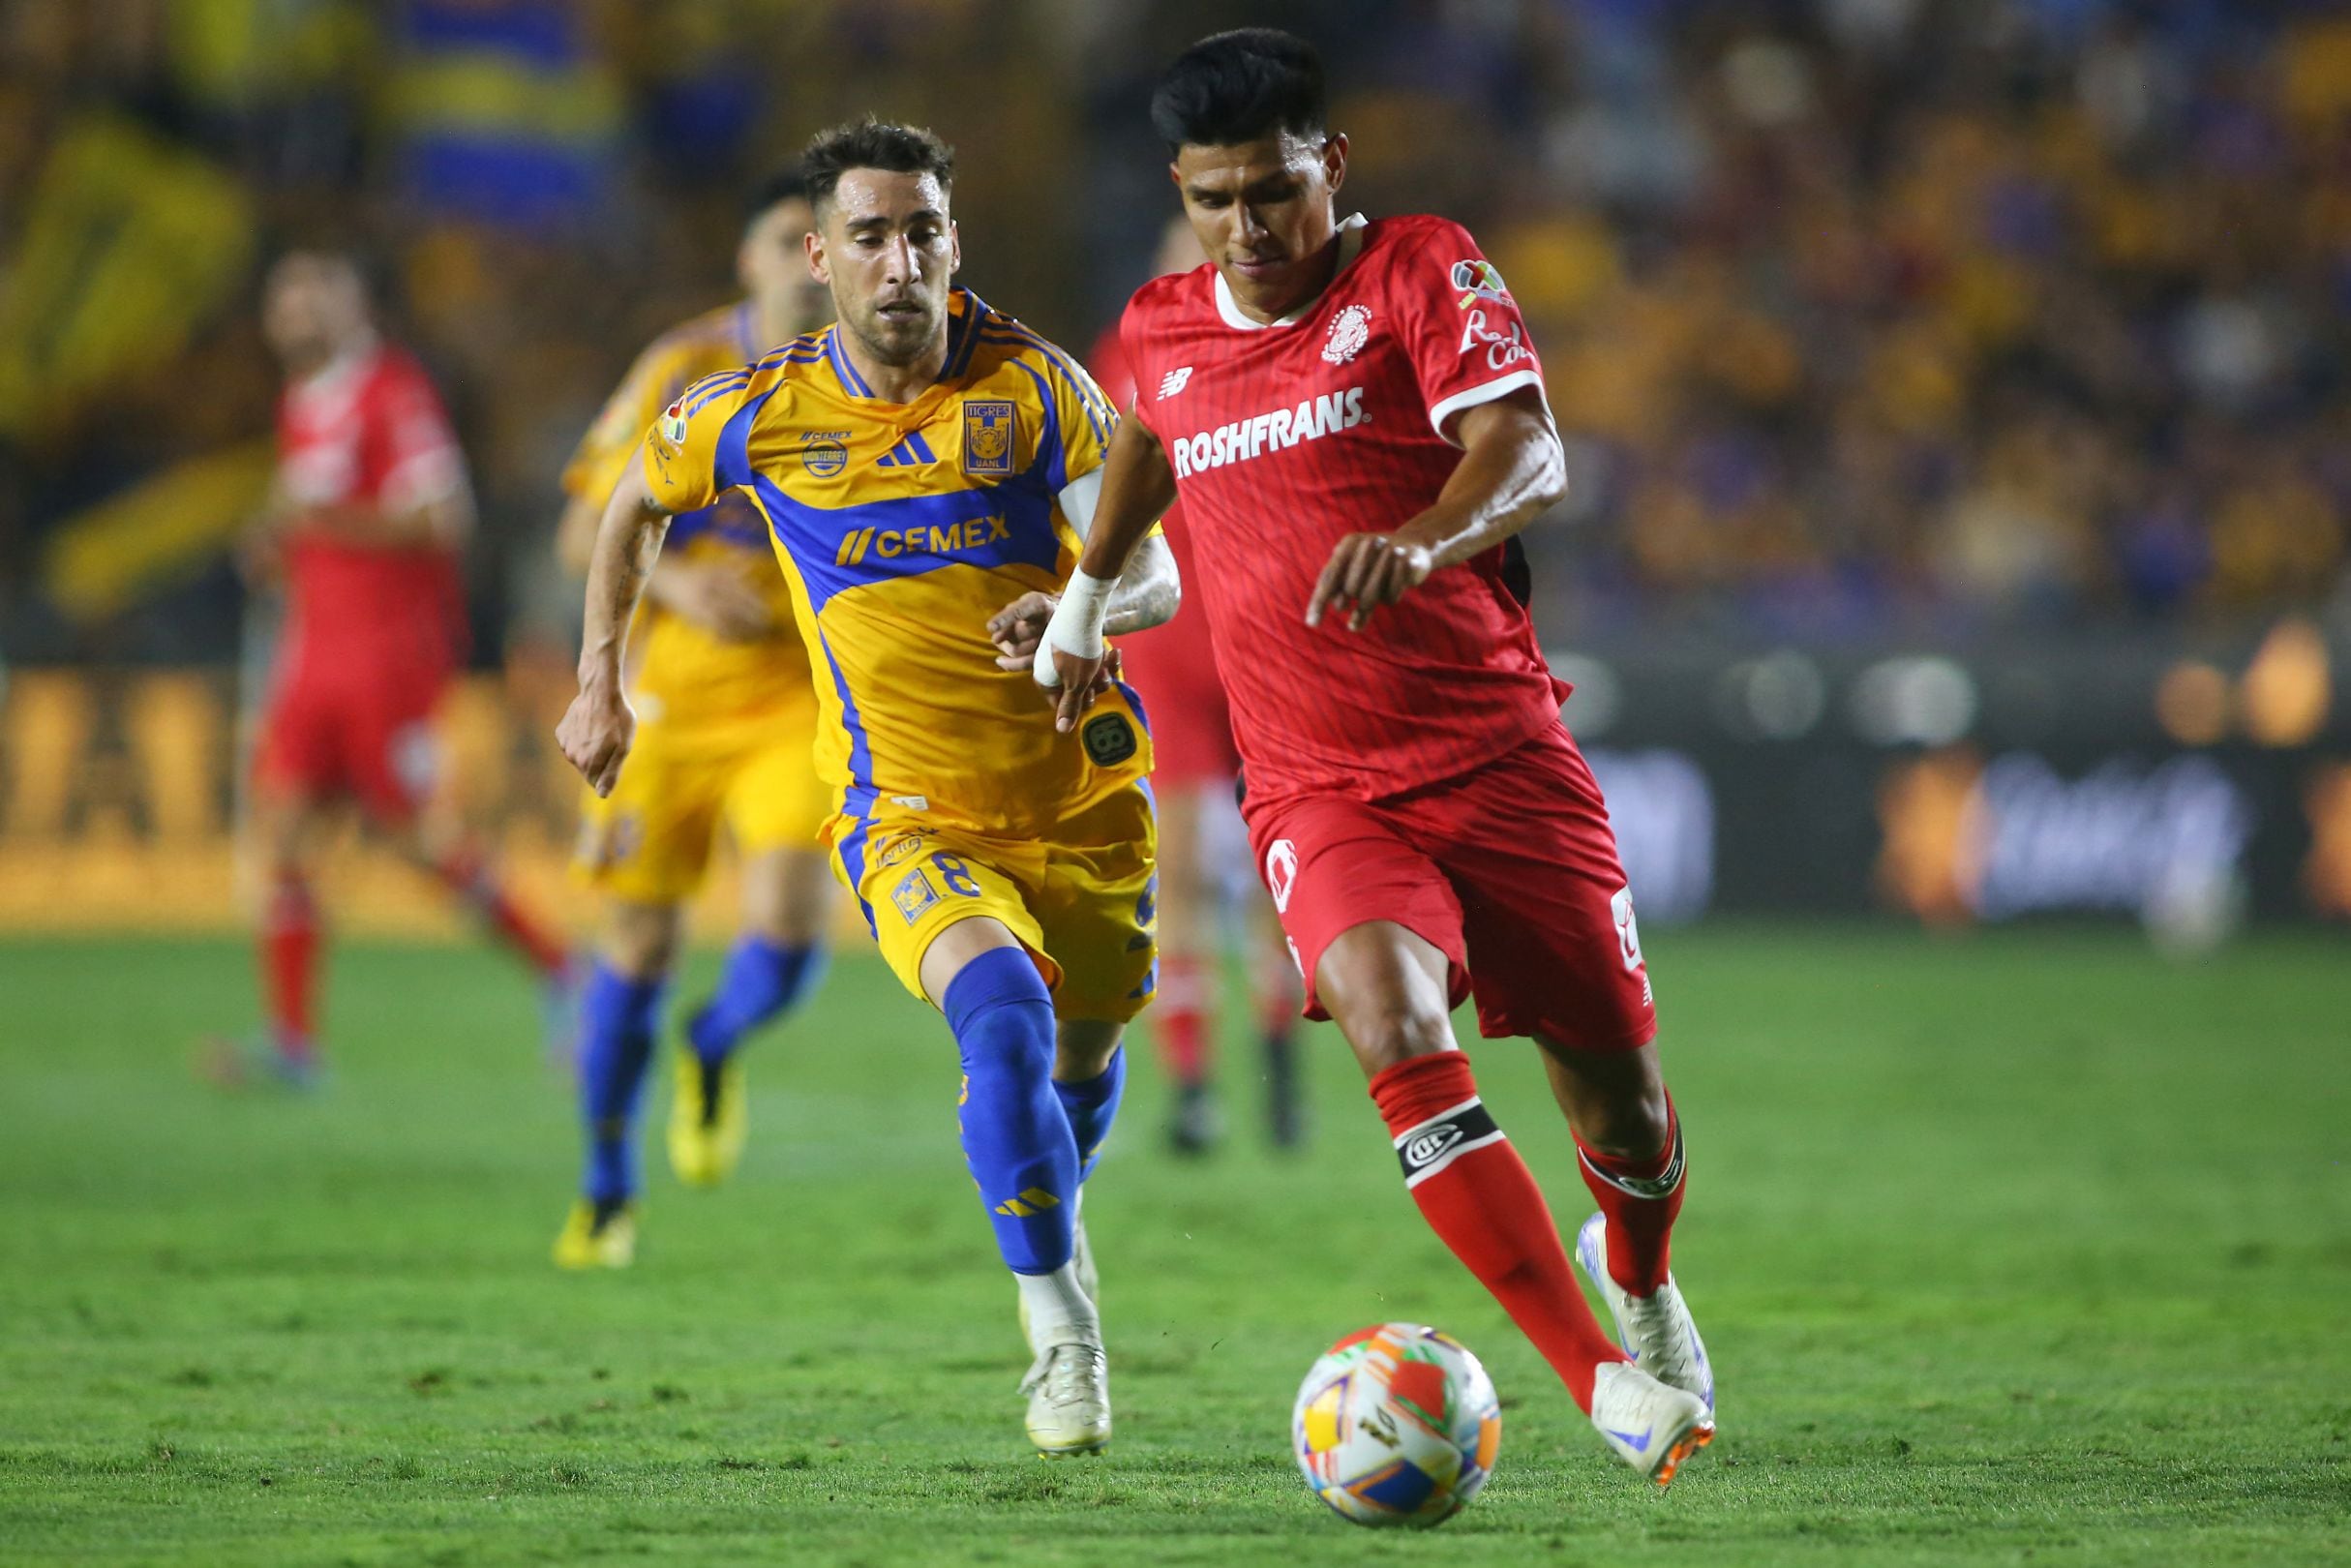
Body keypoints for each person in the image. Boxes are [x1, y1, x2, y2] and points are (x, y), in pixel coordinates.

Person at [1024, 30, 1715, 1487]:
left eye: (1271, 191)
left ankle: (1639, 1278)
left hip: (1497, 755)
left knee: (1625, 1111)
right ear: (1179, 190)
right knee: (1400, 1039)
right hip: (1318, 784)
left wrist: (1418, 539)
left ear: (1327, 165)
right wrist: (1088, 598)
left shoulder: (1418, 268)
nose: (1247, 228)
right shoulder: (1156, 324)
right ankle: (1599, 1383)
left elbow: (1527, 453)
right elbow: (1146, 441)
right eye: (1213, 200)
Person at [556, 119, 1180, 1458]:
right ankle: (1062, 1338)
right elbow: (626, 506)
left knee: (1081, 1059)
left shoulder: (1033, 387)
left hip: (1079, 801)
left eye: (927, 233)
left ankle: (1053, 1217)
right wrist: (601, 677)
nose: (904, 261)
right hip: (903, 810)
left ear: (955, 244)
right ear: (819, 253)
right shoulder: (753, 406)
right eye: (875, 236)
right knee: (1001, 1020)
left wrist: (1073, 613)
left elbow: (1159, 573)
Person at [550, 170, 839, 1270]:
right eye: (786, 240)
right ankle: (604, 1188)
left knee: (789, 927)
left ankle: (712, 1044)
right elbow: (585, 530)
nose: (808, 266)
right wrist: (672, 591)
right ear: (750, 261)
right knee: (638, 940)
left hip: (797, 701)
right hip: (670, 698)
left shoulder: (873, 382)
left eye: (827, 245)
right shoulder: (681, 368)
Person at [213, 251, 571, 1090]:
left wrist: (324, 521)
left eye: (314, 295)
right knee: (286, 832)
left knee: (418, 838)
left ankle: (565, 972)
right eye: (284, 298)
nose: (296, 313)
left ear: (356, 304)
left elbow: (443, 519)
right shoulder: (302, 402)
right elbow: (318, 519)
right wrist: (280, 542)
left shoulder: (392, 392)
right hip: (314, 650)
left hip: (387, 654)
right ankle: (293, 1044)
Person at [1086, 216, 1305, 1156]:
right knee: (1170, 862)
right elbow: (1092, 481)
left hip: (1264, 630)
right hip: (1169, 641)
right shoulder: (1125, 349)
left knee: (1276, 864)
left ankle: (1278, 1064)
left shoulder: (1278, 339)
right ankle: (1191, 1088)